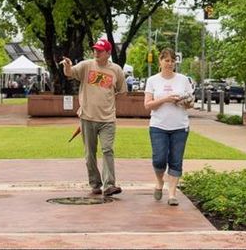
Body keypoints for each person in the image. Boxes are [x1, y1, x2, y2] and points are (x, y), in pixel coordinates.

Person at [61, 37, 127, 197]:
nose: (96, 52)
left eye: (100, 50)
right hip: (87, 118)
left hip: (108, 120)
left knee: (107, 150)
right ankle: (95, 184)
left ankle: (109, 185)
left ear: (108, 53)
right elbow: (70, 73)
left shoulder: (116, 70)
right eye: (95, 50)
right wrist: (67, 66)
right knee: (90, 153)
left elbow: (123, 91)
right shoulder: (86, 66)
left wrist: (109, 101)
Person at [143, 48, 193, 206]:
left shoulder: (183, 80)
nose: (170, 63)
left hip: (180, 126)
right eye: (167, 60)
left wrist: (185, 102)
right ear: (160, 61)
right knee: (159, 159)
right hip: (158, 126)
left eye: (172, 61)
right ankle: (159, 182)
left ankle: (172, 194)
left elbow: (191, 103)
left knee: (176, 161)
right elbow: (148, 105)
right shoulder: (153, 80)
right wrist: (165, 99)